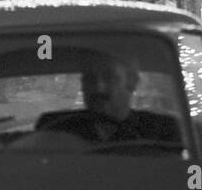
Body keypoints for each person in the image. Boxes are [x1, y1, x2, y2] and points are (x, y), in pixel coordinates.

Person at [35, 55, 183, 144]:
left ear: (131, 82)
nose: (98, 88)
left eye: (109, 77)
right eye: (90, 79)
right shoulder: (55, 129)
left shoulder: (163, 131)